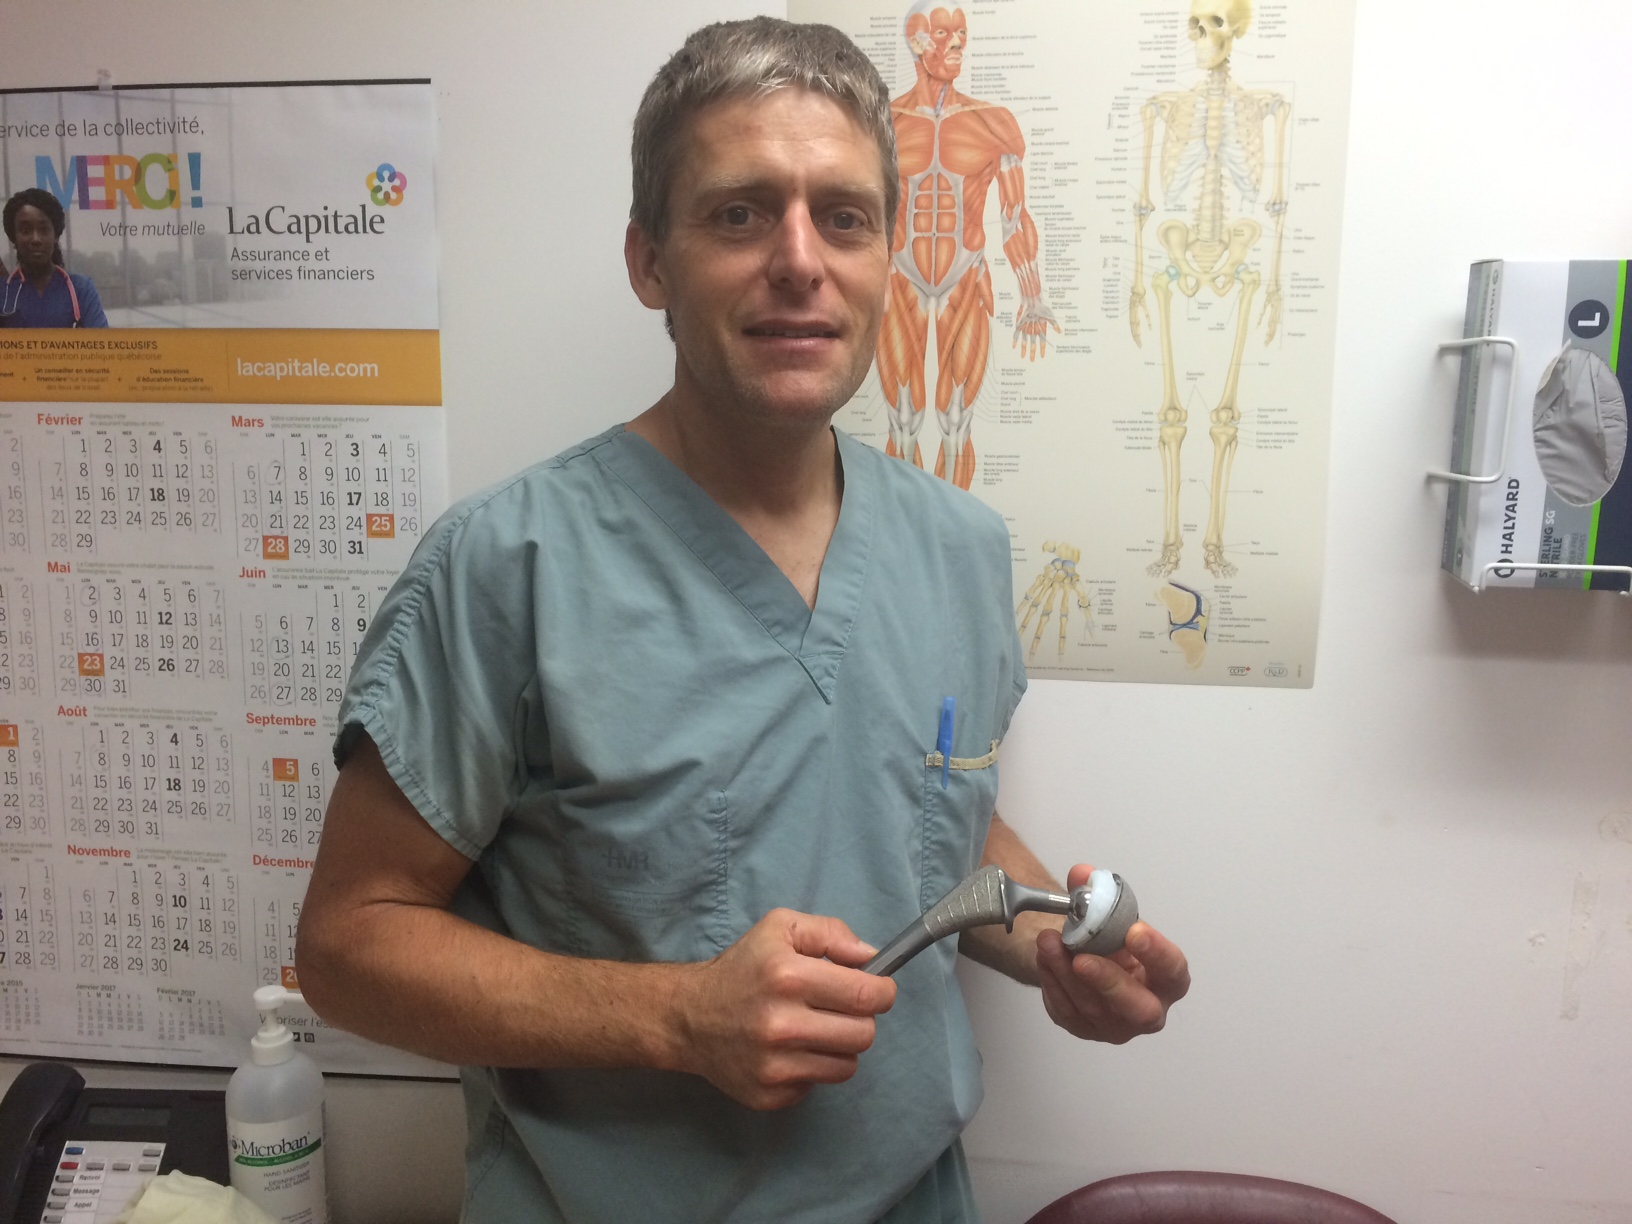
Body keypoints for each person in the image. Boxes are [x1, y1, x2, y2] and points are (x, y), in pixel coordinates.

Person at [295, 18, 1189, 1224]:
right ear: (649, 262)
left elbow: (927, 817)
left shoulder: (961, 550)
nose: (800, 261)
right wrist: (675, 1017)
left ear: (886, 257)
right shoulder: (506, 568)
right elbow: (349, 946)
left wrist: (1047, 941)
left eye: (845, 217)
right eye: (739, 214)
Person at [1, 188, 109, 328]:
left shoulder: (81, 290)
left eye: (44, 230)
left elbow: (101, 340)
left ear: (56, 235)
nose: (36, 239)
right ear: (13, 237)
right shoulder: (3, 291)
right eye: (25, 230)